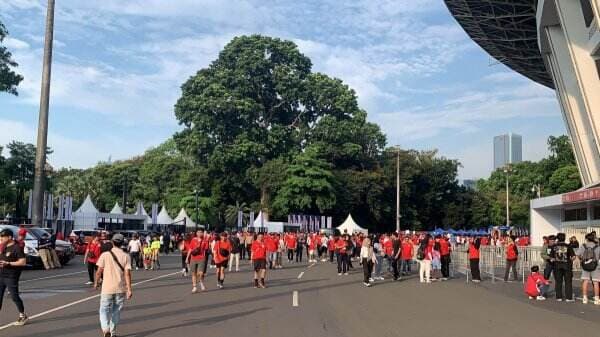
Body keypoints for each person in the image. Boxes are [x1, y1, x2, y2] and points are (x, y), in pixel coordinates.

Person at [94, 233, 132, 337]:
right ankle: (112, 332)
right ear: (122, 243)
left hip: (107, 288)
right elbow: (127, 274)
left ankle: (106, 329)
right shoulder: (126, 256)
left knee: (103, 310)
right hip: (120, 288)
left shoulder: (105, 255)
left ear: (112, 242)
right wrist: (129, 289)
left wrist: (96, 283)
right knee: (116, 311)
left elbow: (98, 271)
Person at [0, 228, 28, 326]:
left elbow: (23, 262)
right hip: (1, 275)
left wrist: (8, 263)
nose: (1, 239)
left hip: (11, 276)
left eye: (3, 237)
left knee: (14, 297)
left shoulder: (17, 247)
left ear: (10, 237)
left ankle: (23, 315)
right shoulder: (3, 247)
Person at [576, 232, 600, 305]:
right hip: (595, 266)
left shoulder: (583, 246)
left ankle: (584, 298)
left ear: (586, 239)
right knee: (596, 282)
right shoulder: (598, 246)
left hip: (585, 266)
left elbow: (577, 255)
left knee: (585, 282)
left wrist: (581, 260)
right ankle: (596, 299)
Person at [551, 232, 575, 302]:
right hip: (567, 266)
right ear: (564, 238)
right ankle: (568, 298)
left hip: (557, 266)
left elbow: (552, 258)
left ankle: (559, 297)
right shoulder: (568, 246)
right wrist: (570, 260)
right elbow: (573, 257)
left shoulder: (554, 246)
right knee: (568, 282)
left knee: (558, 281)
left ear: (558, 238)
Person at [187, 229, 209, 293]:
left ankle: (201, 282)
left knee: (200, 273)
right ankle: (194, 287)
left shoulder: (204, 241)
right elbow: (190, 249)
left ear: (202, 233)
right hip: (193, 258)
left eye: (201, 232)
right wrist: (187, 258)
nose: (199, 233)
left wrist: (205, 240)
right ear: (196, 233)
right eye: (198, 232)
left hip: (201, 258)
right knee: (193, 273)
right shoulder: (193, 240)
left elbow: (206, 249)